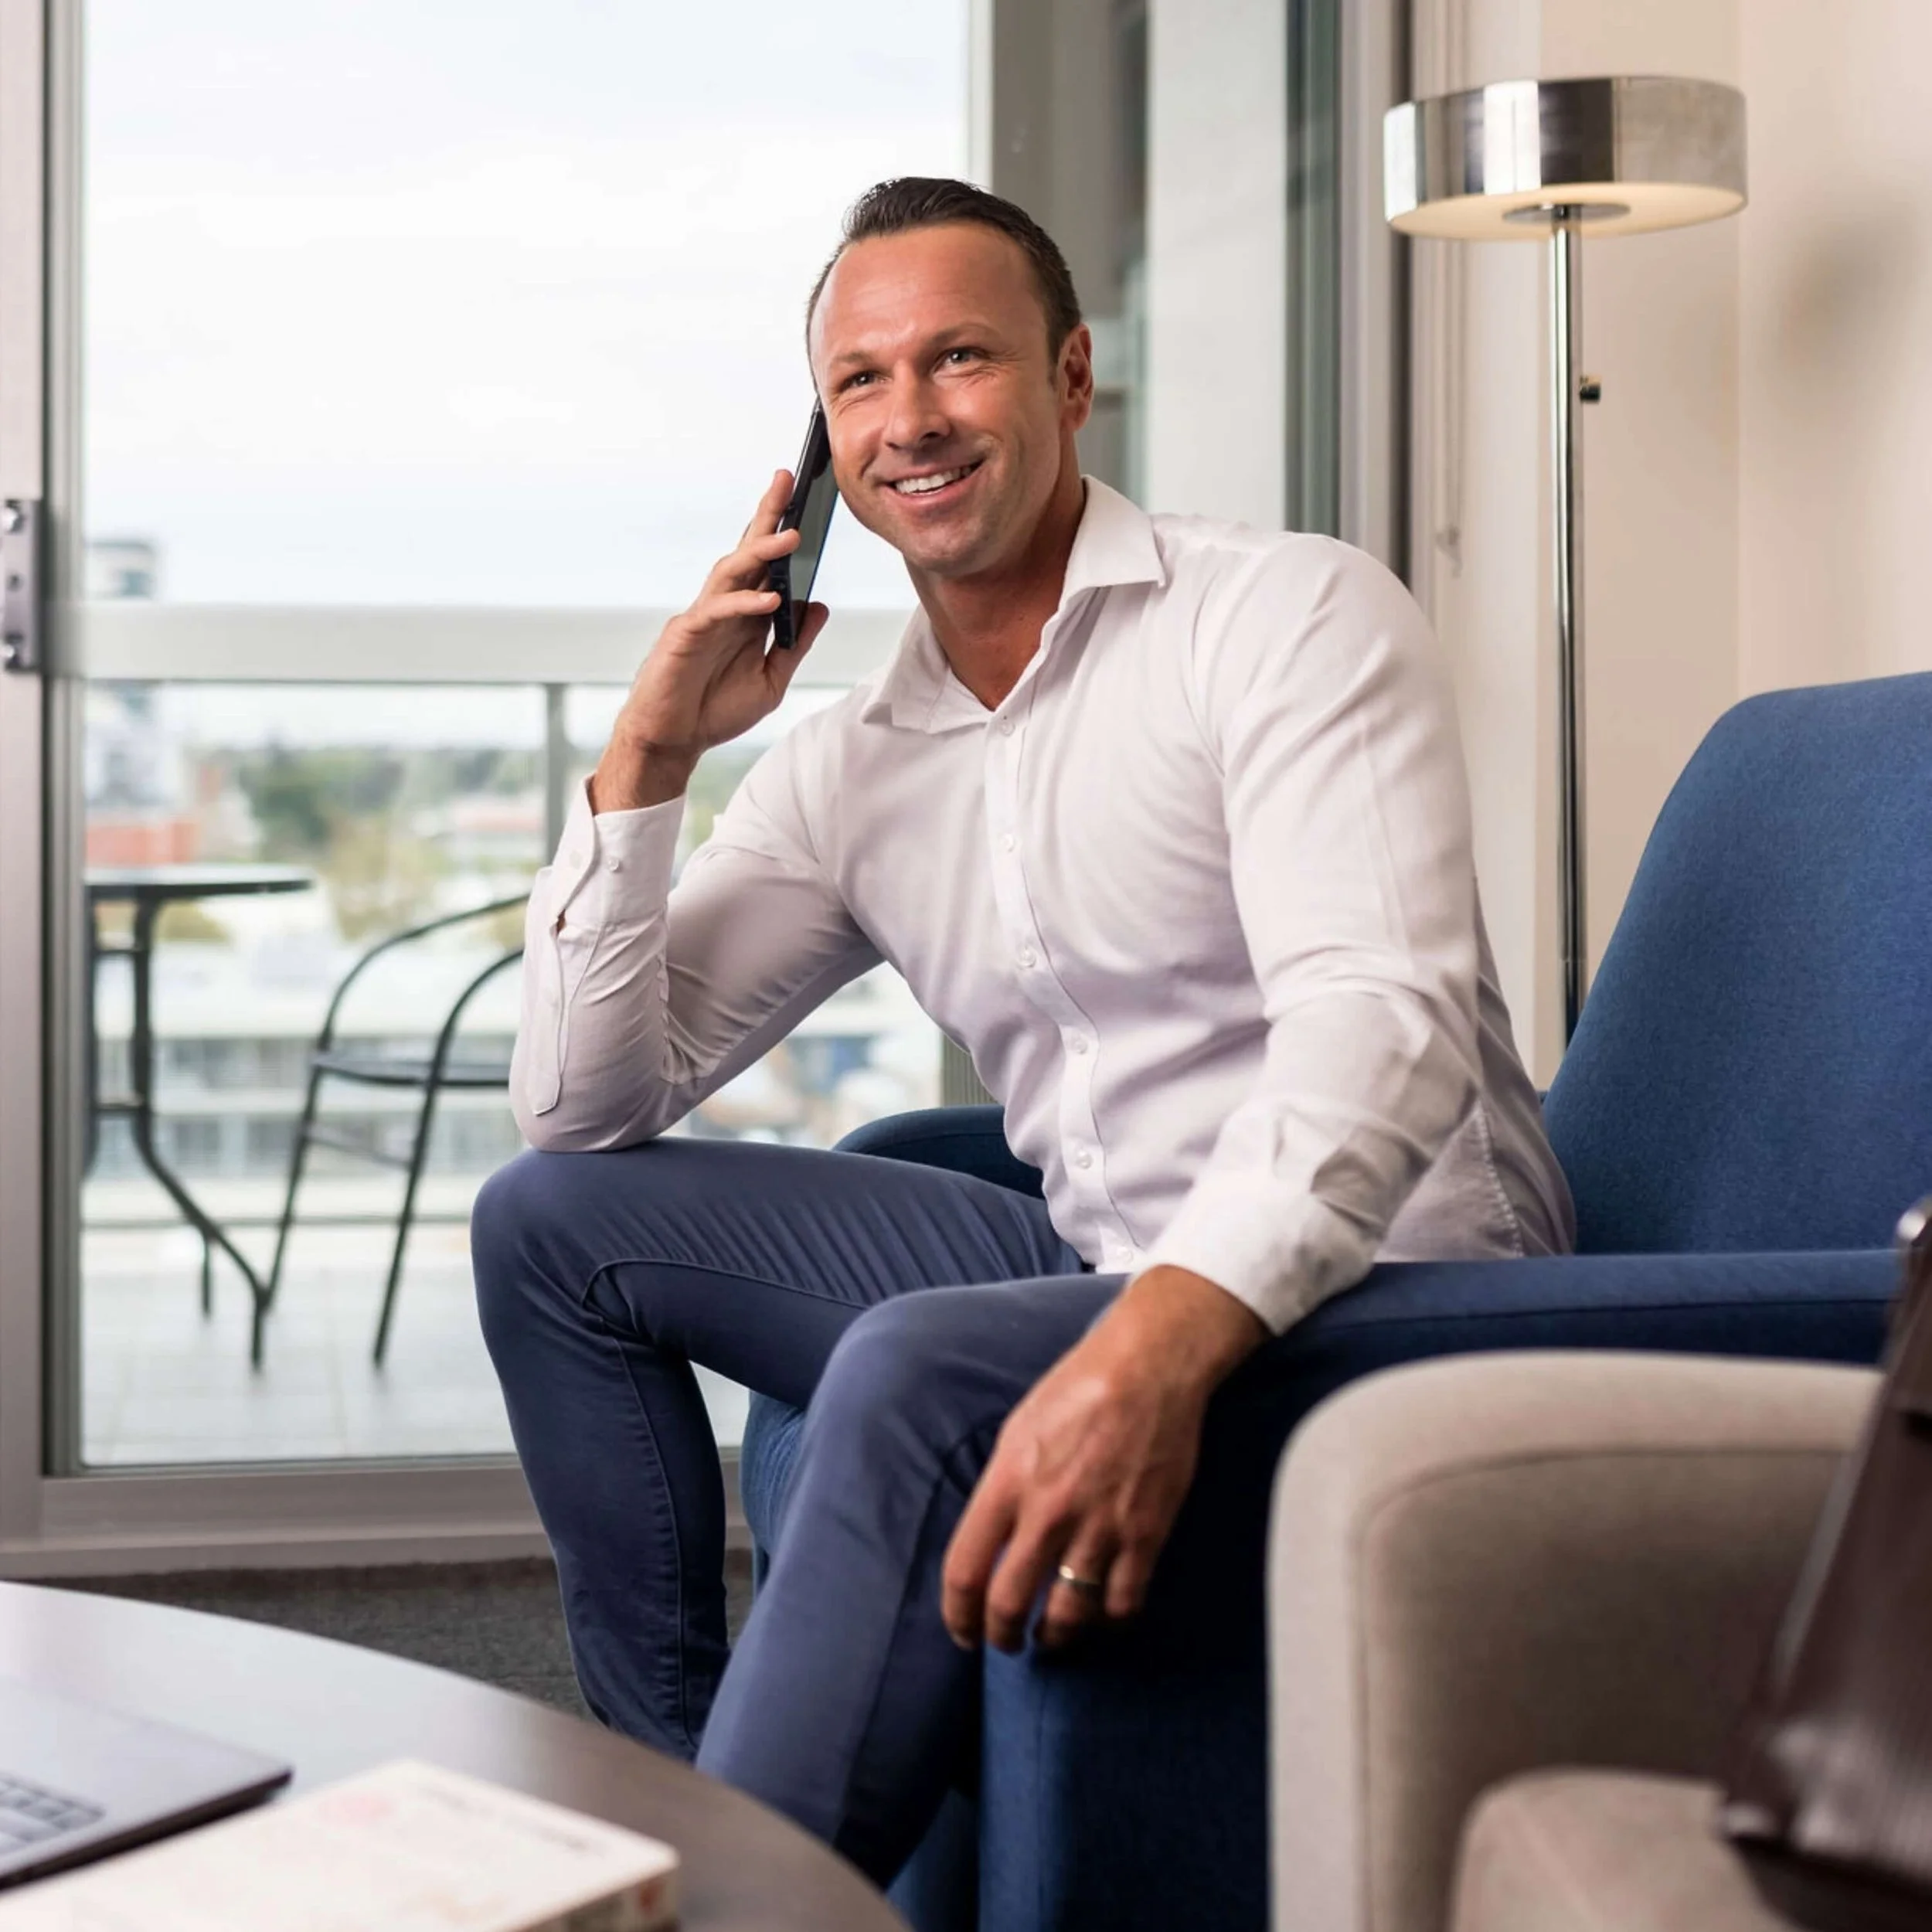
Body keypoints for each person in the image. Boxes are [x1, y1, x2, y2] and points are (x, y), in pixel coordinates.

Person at [472, 175, 1573, 1884]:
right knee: (544, 1223)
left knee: (914, 1356)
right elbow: (581, 1105)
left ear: (1068, 380)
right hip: (1091, 1257)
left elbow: (1381, 1020)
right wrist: (651, 760)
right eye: (860, 381)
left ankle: (739, 1911)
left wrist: (1155, 1341)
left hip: (1394, 1301)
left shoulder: (1280, 616)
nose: (908, 418)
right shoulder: (855, 759)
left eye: (958, 360)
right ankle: (682, 1822)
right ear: (821, 443)